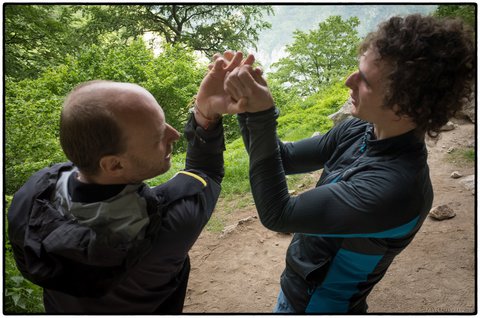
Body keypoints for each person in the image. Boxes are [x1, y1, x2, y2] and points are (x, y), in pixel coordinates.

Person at [223, 14, 474, 313]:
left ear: (404, 106)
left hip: (320, 306)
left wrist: (261, 116)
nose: (348, 81)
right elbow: (285, 158)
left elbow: (278, 213)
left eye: (364, 80)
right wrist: (248, 109)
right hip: (299, 289)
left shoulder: (397, 189)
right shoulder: (359, 130)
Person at [7, 51, 251, 313]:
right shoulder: (173, 220)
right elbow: (207, 172)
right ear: (114, 164)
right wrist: (205, 113)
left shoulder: (30, 199)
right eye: (158, 136)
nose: (175, 134)